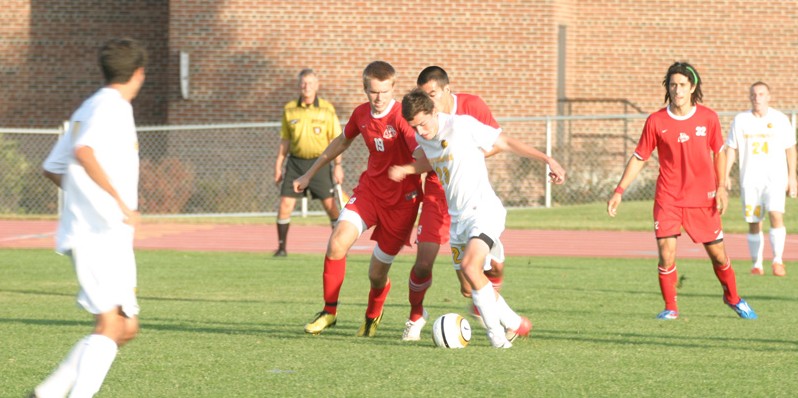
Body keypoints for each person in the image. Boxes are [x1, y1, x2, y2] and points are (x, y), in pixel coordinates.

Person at [402, 66, 566, 341]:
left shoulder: (462, 125)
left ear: (435, 108)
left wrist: (547, 159)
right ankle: (515, 322)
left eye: (423, 123)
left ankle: (498, 338)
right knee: (468, 288)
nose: (421, 130)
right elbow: (428, 159)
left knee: (471, 267)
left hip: (483, 212)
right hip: (458, 221)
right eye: (415, 126)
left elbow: (506, 142)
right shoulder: (424, 136)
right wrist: (405, 170)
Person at [32, 38, 147, 397]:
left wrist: (86, 195)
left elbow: (52, 167)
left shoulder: (90, 105)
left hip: (108, 233)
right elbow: (83, 150)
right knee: (110, 324)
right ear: (139, 73)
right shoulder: (111, 107)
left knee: (126, 327)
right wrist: (118, 202)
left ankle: (47, 393)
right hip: (97, 233)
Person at [607, 61, 757, 320]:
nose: (677, 90)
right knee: (666, 252)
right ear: (668, 88)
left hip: (703, 198)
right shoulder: (656, 121)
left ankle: (732, 297)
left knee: (719, 256)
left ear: (692, 87)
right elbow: (640, 157)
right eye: (673, 85)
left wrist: (721, 187)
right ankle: (670, 307)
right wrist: (619, 190)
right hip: (669, 198)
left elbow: (719, 153)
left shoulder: (708, 117)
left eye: (682, 85)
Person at [295, 61, 422, 337]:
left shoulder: (402, 116)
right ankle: (329, 312)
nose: (379, 98)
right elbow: (341, 141)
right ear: (365, 88)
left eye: (385, 92)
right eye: (374, 92)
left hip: (402, 203)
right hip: (370, 192)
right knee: (337, 242)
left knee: (376, 274)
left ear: (393, 88)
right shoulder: (361, 114)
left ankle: (372, 315)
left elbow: (422, 155)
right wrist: (309, 173)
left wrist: (409, 169)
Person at [724, 81, 797, 277]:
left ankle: (777, 261)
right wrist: (725, 174)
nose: (757, 98)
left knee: (776, 214)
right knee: (754, 221)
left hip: (775, 179)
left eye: (761, 94)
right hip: (750, 180)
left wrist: (792, 177)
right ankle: (757, 264)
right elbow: (732, 148)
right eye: (754, 94)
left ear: (769, 96)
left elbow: (790, 149)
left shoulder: (780, 119)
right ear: (750, 97)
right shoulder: (741, 120)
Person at [273, 69, 344, 257]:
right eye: (304, 83)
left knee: (331, 207)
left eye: (311, 83)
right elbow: (285, 141)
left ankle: (340, 246)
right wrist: (278, 166)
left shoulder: (327, 109)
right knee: (285, 205)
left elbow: (336, 140)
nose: (307, 87)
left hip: (319, 163)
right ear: (299, 85)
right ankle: (281, 248)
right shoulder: (289, 109)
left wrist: (338, 165)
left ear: (317, 86)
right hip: (295, 164)